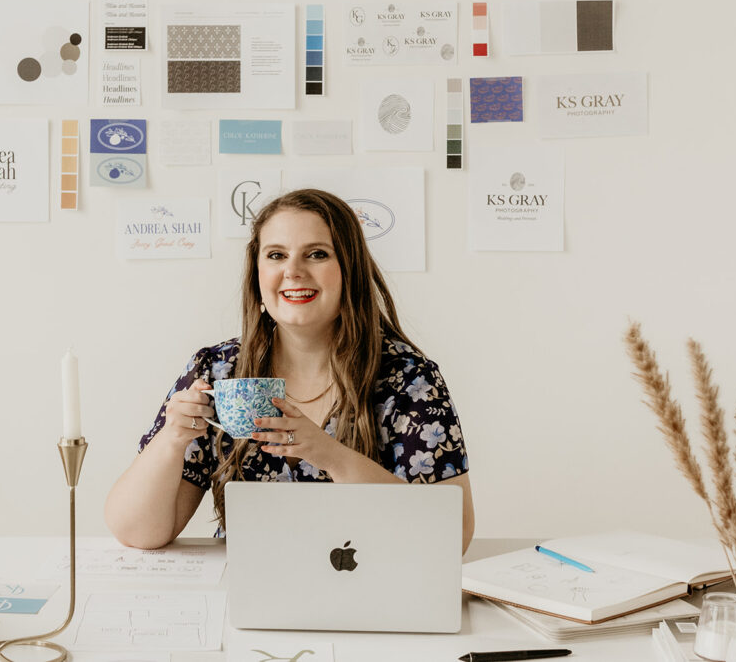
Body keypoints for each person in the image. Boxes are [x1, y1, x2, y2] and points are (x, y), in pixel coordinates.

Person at [105, 188, 474, 550]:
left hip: (370, 591)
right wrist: (172, 439)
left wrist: (327, 453)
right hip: (248, 591)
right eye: (276, 255)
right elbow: (138, 533)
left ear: (350, 270)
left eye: (316, 254)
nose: (293, 271)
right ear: (257, 273)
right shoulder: (217, 370)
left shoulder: (410, 379)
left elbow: (450, 536)